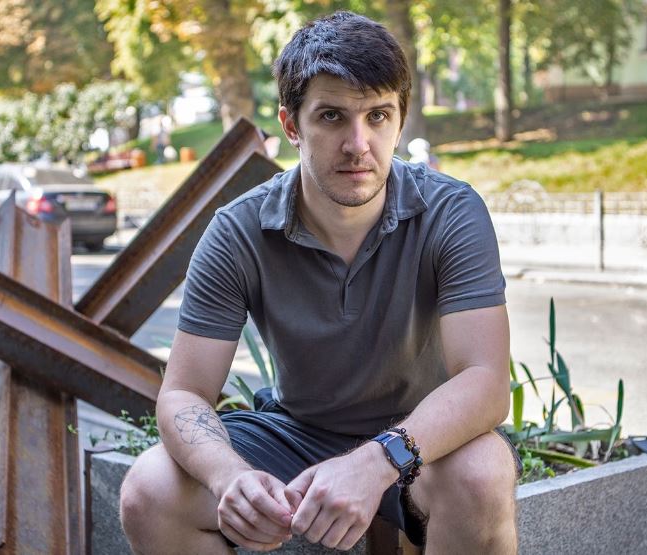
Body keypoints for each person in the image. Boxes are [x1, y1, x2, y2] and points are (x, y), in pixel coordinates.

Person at [120, 11, 520, 554]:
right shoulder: (238, 230)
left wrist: (376, 461)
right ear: (291, 126)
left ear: (400, 119)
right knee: (149, 491)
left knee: (481, 474)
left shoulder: (451, 211)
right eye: (332, 116)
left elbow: (486, 382)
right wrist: (229, 477)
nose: (358, 143)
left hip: (422, 442)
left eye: (378, 116)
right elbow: (184, 393)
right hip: (296, 433)